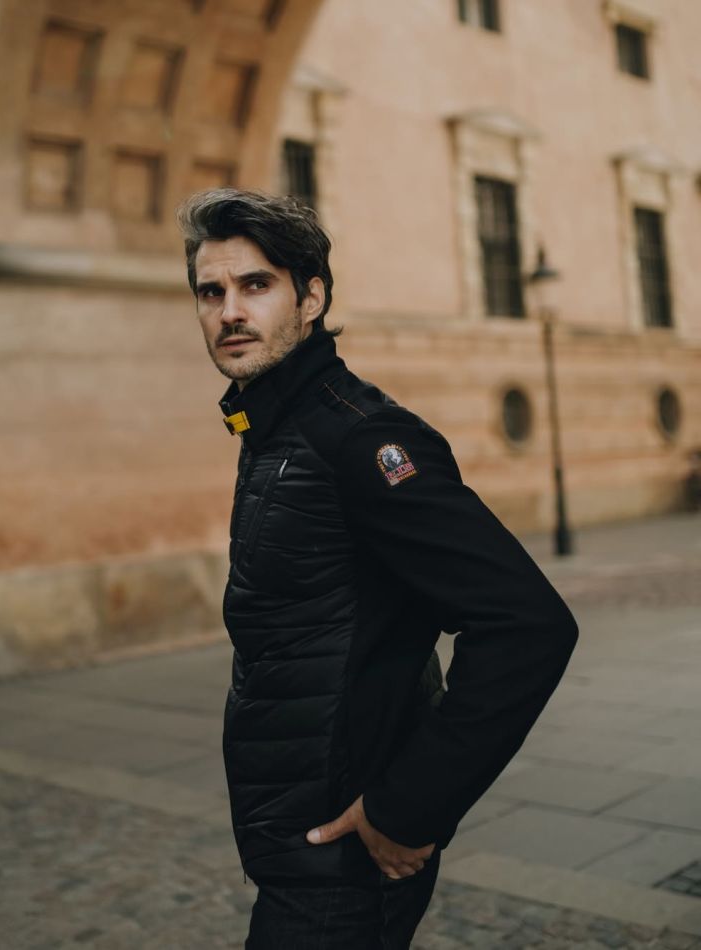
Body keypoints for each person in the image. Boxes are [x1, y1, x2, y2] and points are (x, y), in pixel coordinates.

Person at [177, 188, 578, 949]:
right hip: (295, 843)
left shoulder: (361, 439)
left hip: (344, 860)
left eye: (256, 285)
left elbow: (527, 624)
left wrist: (409, 806)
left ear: (311, 297)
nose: (229, 311)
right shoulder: (273, 426)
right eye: (210, 291)